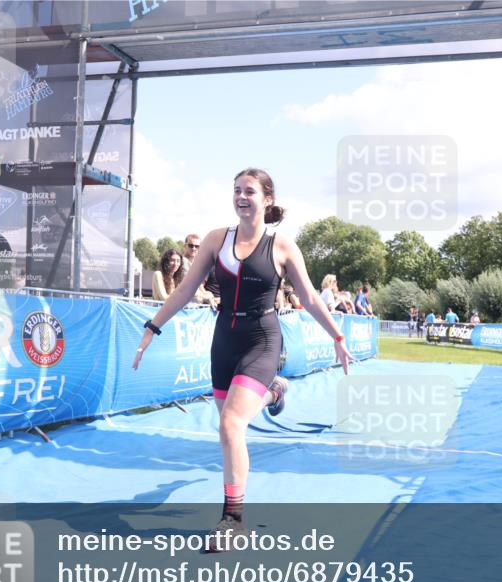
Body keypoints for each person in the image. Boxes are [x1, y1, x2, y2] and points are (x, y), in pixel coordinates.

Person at [133, 168, 353, 550]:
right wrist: (152, 326)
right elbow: (185, 289)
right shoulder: (217, 239)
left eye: (249, 191)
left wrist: (337, 334)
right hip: (224, 339)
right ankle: (273, 393)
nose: (241, 197)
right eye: (236, 190)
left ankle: (232, 520)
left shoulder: (282, 247)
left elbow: (312, 298)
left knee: (231, 426)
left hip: (262, 338)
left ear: (267, 199)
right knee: (228, 425)